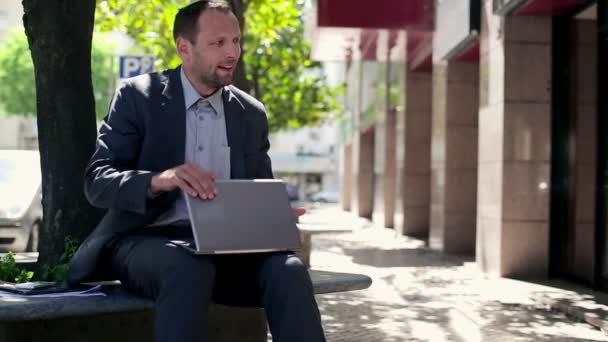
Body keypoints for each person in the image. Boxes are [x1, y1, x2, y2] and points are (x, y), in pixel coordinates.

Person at [66, 1, 327, 341]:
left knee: (289, 270)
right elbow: (97, 181)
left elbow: (258, 188)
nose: (232, 52)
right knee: (188, 267)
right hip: (147, 242)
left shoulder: (250, 113)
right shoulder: (137, 97)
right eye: (218, 43)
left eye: (236, 41)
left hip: (229, 248)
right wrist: (160, 180)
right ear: (184, 48)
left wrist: (271, 216)